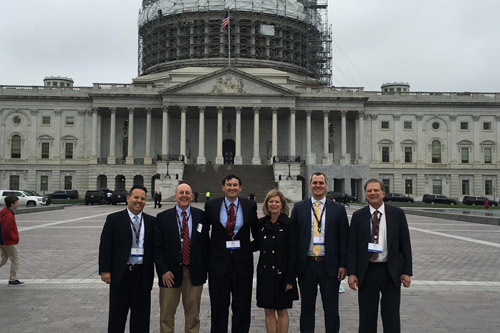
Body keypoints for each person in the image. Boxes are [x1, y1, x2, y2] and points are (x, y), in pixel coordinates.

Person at [347, 179, 413, 333]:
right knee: (367, 316)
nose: (373, 193)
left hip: (390, 270)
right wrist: (352, 273)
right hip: (367, 270)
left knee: (391, 316)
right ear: (366, 195)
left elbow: (405, 244)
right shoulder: (358, 216)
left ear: (383, 193)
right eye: (369, 191)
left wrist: (406, 271)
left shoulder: (397, 214)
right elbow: (352, 247)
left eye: (376, 190)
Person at [291, 172, 349, 333]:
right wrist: (294, 265)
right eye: (315, 183)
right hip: (307, 265)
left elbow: (344, 239)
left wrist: (344, 265)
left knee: (331, 309)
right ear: (310, 185)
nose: (318, 186)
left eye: (321, 183)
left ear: (326, 185)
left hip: (329, 266)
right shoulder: (299, 207)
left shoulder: (338, 209)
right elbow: (293, 239)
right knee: (307, 309)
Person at [204, 174, 258, 333]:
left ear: (240, 188)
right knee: (218, 308)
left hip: (242, 265)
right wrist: (212, 252)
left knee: (242, 308)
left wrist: (246, 249)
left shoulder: (250, 205)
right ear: (223, 187)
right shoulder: (211, 205)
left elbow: (256, 233)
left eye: (235, 185)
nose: (232, 188)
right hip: (218, 266)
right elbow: (204, 233)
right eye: (229, 185)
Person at [98, 185, 155, 333]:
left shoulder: (151, 222)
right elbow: (105, 246)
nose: (139, 201)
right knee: (117, 318)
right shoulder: (114, 219)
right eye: (136, 197)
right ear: (128, 198)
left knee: (141, 320)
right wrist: (105, 270)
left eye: (142, 198)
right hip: (120, 276)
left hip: (142, 276)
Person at [154, 183, 210, 333]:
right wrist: (163, 270)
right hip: (169, 274)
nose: (184, 195)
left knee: (193, 316)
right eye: (181, 193)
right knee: (166, 316)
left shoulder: (201, 216)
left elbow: (206, 245)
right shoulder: (163, 218)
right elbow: (157, 248)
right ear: (175, 197)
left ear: (192, 196)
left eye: (187, 193)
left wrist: (205, 269)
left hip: (194, 273)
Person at [253, 189, 298, 333]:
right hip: (265, 274)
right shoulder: (261, 223)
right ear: (266, 204)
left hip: (282, 274)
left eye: (276, 202)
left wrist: (290, 279)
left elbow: (293, 254)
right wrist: (235, 246)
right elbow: (257, 244)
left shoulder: (290, 224)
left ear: (282, 204)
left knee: (282, 311)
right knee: (268, 311)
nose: (273, 204)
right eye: (270, 201)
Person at [0, 195, 25, 286]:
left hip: (3, 241)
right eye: (17, 202)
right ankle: (12, 280)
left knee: (3, 260)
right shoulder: (8, 215)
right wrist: (14, 237)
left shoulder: (4, 212)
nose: (18, 204)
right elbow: (7, 230)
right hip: (8, 241)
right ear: (12, 204)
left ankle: (13, 279)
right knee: (15, 259)